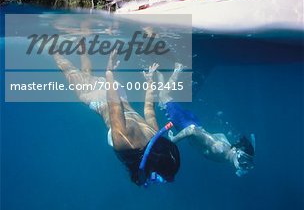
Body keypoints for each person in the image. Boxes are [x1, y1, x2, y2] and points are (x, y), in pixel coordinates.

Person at [52, 46, 180, 186]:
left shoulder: (154, 135)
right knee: (68, 69)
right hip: (101, 96)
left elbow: (149, 108)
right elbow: (114, 106)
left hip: (118, 92)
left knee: (85, 74)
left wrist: (149, 82)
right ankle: (53, 49)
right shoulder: (123, 143)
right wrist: (109, 73)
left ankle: (82, 42)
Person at [152, 63, 255, 177]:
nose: (243, 165)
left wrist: (201, 140)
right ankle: (178, 68)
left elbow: (220, 135)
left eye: (246, 164)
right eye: (244, 161)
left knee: (163, 97)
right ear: (238, 152)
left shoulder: (226, 153)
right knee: (163, 96)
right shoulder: (220, 150)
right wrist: (173, 141)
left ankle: (159, 71)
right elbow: (191, 130)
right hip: (186, 124)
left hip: (193, 122)